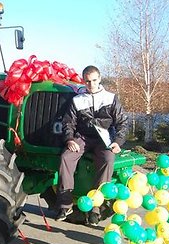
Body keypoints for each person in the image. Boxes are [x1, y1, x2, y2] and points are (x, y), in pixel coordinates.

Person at [55, 65, 128, 226]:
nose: (91, 84)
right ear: (83, 81)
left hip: (104, 139)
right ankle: (65, 205)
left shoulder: (111, 98)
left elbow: (123, 122)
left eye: (94, 80)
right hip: (83, 137)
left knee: (108, 159)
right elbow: (68, 123)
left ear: (99, 79)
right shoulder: (77, 100)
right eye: (87, 81)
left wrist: (117, 142)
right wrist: (69, 140)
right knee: (66, 157)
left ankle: (95, 209)